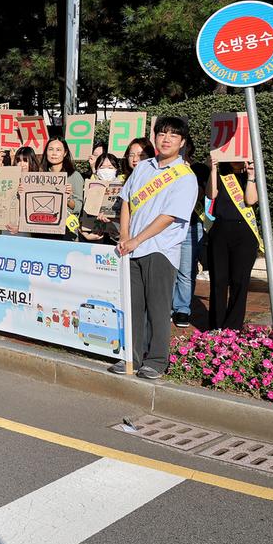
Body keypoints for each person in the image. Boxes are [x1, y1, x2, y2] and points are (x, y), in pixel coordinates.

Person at [114, 116, 199, 380]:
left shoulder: (186, 176)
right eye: (162, 133)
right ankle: (133, 357)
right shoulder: (143, 167)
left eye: (173, 135)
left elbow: (170, 216)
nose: (166, 139)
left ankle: (158, 360)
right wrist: (126, 236)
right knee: (134, 306)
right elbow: (127, 201)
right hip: (132, 248)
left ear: (182, 142)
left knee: (159, 308)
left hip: (161, 249)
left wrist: (137, 239)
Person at [205, 158, 260, 331]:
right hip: (220, 230)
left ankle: (233, 327)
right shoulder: (221, 175)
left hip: (245, 233)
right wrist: (212, 170)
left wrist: (251, 176)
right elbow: (210, 194)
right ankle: (216, 325)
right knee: (218, 280)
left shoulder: (252, 176)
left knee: (239, 281)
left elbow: (250, 200)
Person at [171, 134, 209, 328]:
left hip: (191, 226)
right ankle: (167, 306)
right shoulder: (166, 169)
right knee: (169, 270)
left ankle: (182, 309)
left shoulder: (199, 169)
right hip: (167, 225)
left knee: (186, 271)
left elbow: (201, 195)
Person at [39, 136, 85, 240]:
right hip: (43, 229)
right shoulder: (40, 176)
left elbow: (78, 207)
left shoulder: (74, 175)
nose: (54, 153)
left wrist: (68, 198)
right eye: (50, 149)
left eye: (58, 150)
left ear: (65, 153)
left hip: (65, 232)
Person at [79, 152, 121, 245]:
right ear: (96, 170)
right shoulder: (88, 189)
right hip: (92, 240)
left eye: (110, 168)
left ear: (116, 170)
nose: (106, 170)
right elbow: (80, 217)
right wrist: (84, 233)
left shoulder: (123, 191)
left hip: (115, 242)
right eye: (102, 167)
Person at [4, 146, 38, 236]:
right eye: (19, 160)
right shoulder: (8, 179)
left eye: (25, 161)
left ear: (32, 162)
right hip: (5, 228)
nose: (22, 164)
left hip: (27, 232)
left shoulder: (39, 182)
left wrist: (21, 227)